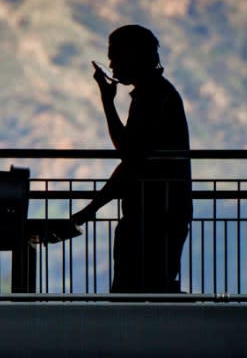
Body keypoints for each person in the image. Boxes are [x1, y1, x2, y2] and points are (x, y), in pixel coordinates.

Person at [71, 24, 192, 293]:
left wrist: (107, 101)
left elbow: (130, 155)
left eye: (115, 55)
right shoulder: (158, 93)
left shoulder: (151, 97)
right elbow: (133, 157)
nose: (111, 64)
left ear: (133, 54)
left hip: (153, 215)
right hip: (164, 211)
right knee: (152, 288)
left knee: (132, 293)